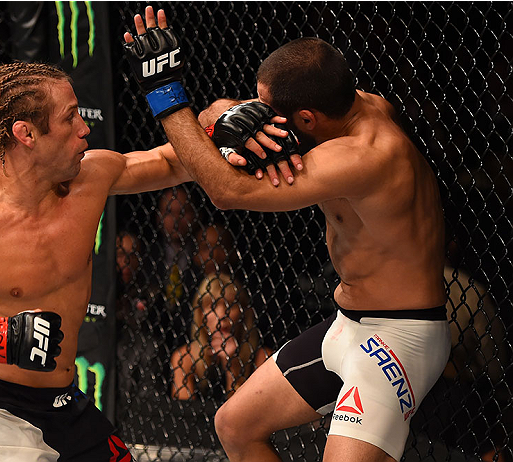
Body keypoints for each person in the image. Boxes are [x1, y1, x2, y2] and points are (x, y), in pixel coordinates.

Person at [124, 8, 449, 462]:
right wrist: (229, 115)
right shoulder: (354, 103)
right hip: (347, 325)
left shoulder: (364, 156)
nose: (263, 120)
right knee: (235, 426)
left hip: (399, 338)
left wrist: (164, 94)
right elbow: (231, 116)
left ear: (307, 119)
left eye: (270, 113)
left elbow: (226, 190)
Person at [0, 62, 206, 462]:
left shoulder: (90, 178)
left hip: (63, 402)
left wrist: (227, 126)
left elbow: (173, 162)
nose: (84, 128)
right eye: (70, 117)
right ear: (25, 133)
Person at [170, 273, 271, 401]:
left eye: (230, 305)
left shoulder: (263, 359)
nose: (222, 315)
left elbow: (245, 416)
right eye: (212, 306)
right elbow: (182, 414)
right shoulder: (184, 357)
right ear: (200, 315)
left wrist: (232, 367)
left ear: (243, 313)